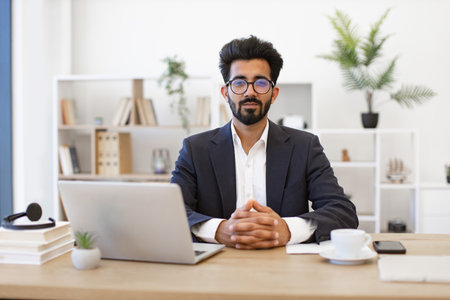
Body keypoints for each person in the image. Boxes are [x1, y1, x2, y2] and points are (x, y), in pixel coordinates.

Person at [171, 36, 358, 249]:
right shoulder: (195, 150)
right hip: (215, 269)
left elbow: (342, 212)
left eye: (260, 83)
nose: (250, 91)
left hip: (285, 268)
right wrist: (219, 230)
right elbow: (171, 212)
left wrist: (287, 230)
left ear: (274, 93)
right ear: (226, 92)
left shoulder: (305, 147)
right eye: (239, 83)